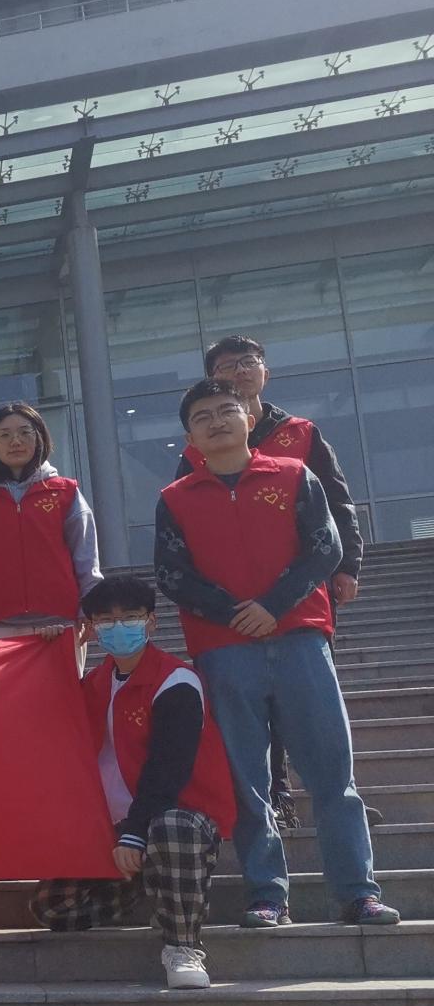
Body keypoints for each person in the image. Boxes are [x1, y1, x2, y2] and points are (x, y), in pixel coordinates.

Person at [155, 379, 398, 928]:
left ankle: (358, 893)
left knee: (332, 773)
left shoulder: (293, 474)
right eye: (202, 417)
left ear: (248, 418)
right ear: (190, 437)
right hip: (223, 651)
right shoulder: (175, 498)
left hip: (299, 641)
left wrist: (272, 606)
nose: (216, 421)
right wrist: (235, 613)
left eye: (226, 410)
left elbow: (325, 547)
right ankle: (267, 895)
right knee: (246, 781)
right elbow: (172, 574)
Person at [174, 335, 372, 831]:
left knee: (311, 702)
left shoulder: (300, 432)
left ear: (265, 371)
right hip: (231, 609)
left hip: (299, 595)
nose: (239, 372)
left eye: (248, 363)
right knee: (249, 709)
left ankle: (332, 792)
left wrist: (347, 565)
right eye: (227, 366)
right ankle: (276, 793)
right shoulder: (198, 447)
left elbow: (337, 504)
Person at [31, 575, 238, 990]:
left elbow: (168, 769)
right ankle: (154, 886)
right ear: (92, 628)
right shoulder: (94, 683)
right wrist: (55, 651)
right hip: (115, 826)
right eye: (106, 620)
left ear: (151, 622)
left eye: (129, 617)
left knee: (172, 827)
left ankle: (182, 945)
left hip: (177, 818)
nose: (118, 627)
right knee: (53, 907)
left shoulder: (176, 680)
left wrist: (135, 833)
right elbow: (44, 714)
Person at [0, 403, 100, 652]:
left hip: (60, 621)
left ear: (39, 438)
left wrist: (90, 606)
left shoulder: (65, 492)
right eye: (5, 435)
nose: (16, 441)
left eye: (25, 432)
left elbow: (86, 557)